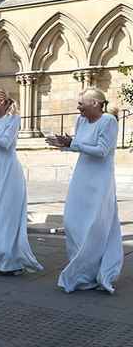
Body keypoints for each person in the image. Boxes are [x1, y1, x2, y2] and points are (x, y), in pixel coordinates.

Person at [46, 88, 123, 293]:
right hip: (82, 176)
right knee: (72, 221)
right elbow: (79, 146)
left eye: (82, 103)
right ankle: (81, 270)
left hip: (100, 181)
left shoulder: (108, 121)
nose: (78, 107)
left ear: (96, 104)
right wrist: (63, 145)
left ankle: (91, 273)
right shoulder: (81, 121)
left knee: (94, 225)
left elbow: (102, 150)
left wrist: (74, 143)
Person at [0, 88, 42, 275]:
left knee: (5, 212)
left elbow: (5, 144)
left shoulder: (14, 119)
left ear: (3, 102)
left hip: (7, 168)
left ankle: (10, 260)